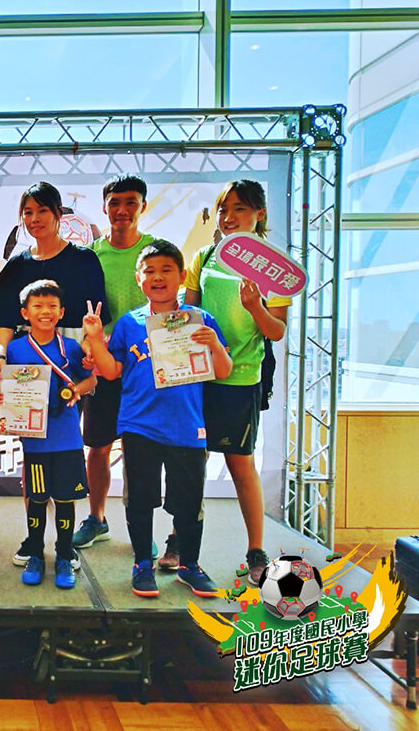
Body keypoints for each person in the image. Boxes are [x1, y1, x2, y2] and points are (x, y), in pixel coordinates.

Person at [83, 240, 232, 598]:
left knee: (189, 501)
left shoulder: (200, 320)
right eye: (149, 271)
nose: (158, 277)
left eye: (166, 270)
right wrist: (96, 340)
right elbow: (111, 371)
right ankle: (141, 564)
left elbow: (224, 370)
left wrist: (213, 343)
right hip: (139, 425)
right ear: (139, 279)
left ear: (181, 276)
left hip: (187, 426)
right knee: (139, 498)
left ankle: (189, 565)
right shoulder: (129, 323)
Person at [0, 182, 107, 567]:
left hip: (71, 361)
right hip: (27, 365)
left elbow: (96, 314)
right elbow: (3, 320)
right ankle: (34, 540)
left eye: (42, 211)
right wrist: (0, 357)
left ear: (58, 214)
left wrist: (90, 352)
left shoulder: (84, 259)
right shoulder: (17, 265)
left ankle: (65, 544)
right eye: (28, 213)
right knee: (33, 450)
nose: (34, 219)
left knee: (67, 444)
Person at [178, 180, 290, 585]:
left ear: (259, 213)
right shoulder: (204, 257)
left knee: (241, 465)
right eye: (223, 209)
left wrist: (254, 306)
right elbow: (186, 314)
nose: (228, 217)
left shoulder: (274, 266)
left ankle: (256, 551)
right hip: (199, 379)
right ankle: (179, 540)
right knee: (192, 464)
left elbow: (276, 331)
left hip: (242, 381)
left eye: (239, 208)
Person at [0, 280, 95, 589]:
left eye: (52, 306)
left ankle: (63, 555)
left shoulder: (72, 348)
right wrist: (1, 397)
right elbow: (6, 386)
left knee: (65, 499)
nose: (45, 311)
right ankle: (35, 554)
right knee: (37, 499)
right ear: (25, 313)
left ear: (62, 312)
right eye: (37, 306)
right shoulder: (15, 348)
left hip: (67, 438)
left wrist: (76, 390)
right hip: (34, 441)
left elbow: (91, 381)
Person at [74, 175, 157, 551]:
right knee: (99, 446)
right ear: (104, 207)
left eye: (130, 202)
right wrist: (88, 346)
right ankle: (96, 518)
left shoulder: (155, 252)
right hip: (102, 365)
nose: (122, 210)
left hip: (147, 368)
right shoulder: (90, 256)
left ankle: (142, 529)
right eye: (114, 203)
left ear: (143, 206)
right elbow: (81, 313)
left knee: (143, 450)